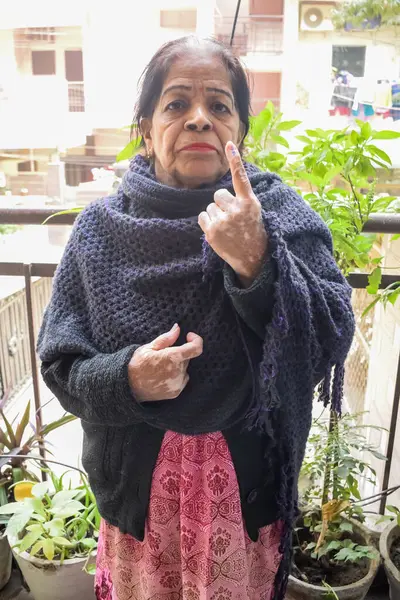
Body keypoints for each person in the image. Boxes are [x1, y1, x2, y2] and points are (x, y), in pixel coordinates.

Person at [37, 36, 355, 600]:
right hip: (136, 503)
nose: (200, 120)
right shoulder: (99, 231)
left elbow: (330, 333)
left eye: (219, 105)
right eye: (177, 103)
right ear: (146, 123)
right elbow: (61, 365)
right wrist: (127, 378)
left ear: (240, 131)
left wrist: (258, 259)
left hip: (243, 498)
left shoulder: (277, 214)